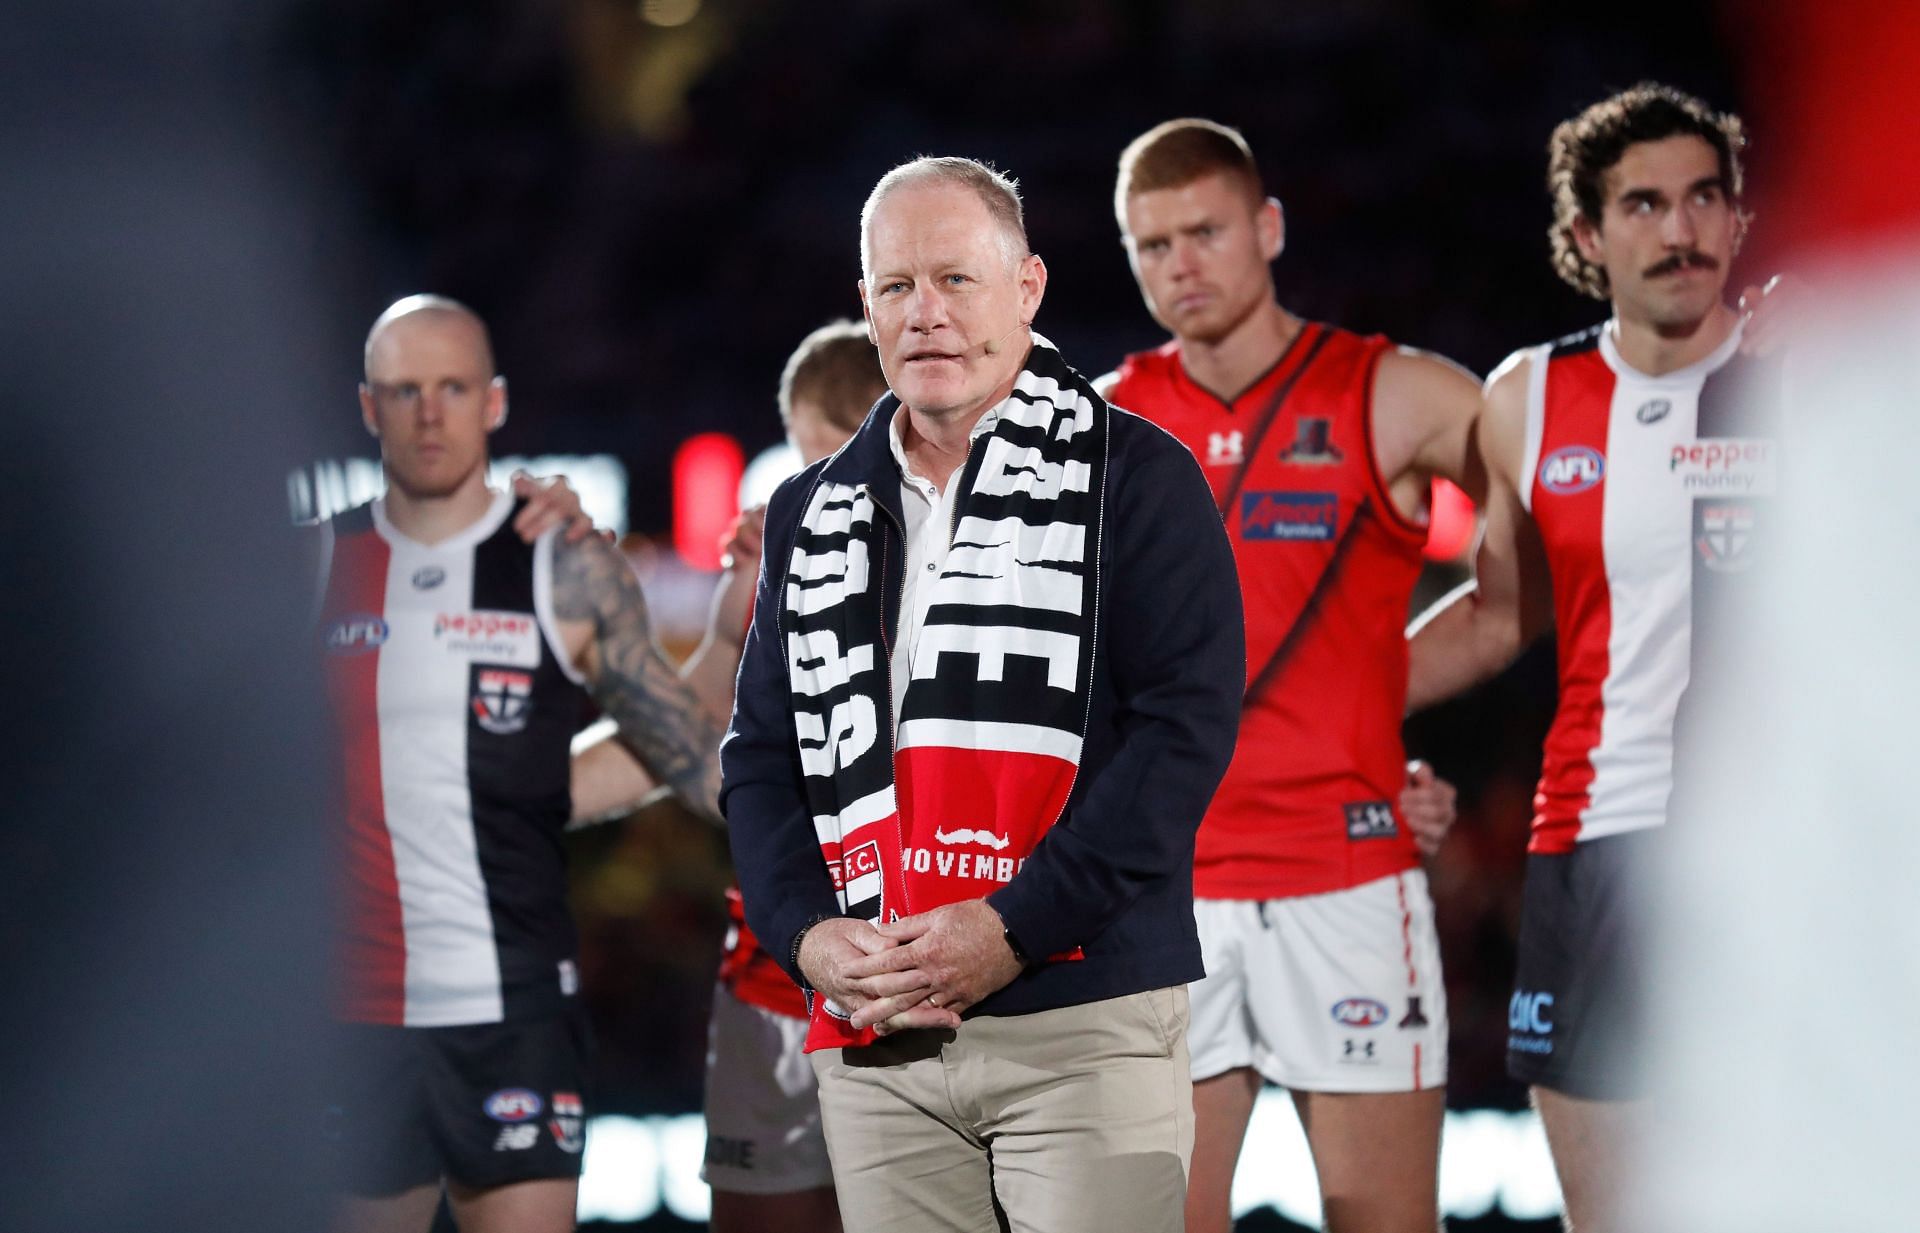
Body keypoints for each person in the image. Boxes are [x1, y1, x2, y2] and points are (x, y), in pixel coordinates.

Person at [719, 156, 1245, 1233]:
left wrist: (1011, 928)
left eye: (957, 280)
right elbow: (762, 760)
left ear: (1029, 287)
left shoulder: (1136, 476)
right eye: (898, 286)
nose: (928, 315)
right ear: (864, 305)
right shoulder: (806, 513)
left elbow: (1181, 737)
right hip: (876, 1033)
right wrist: (810, 940)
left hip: (1081, 1009)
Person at [1404, 83, 1783, 1233]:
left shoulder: (1818, 367)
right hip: (1592, 844)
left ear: (1738, 218)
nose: (1679, 231)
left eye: (1705, 199)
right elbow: (1494, 613)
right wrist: (1294, 708)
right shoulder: (1529, 400)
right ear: (1585, 236)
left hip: (1783, 840)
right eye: (1645, 204)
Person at [1099, 118, 1473, 1233]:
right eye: (1152, 244)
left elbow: (1541, 575)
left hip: (1346, 880)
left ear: (1267, 227)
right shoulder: (1101, 425)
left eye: (1205, 231)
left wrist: (1366, 701)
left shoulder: (1394, 391)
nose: (1182, 265)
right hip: (1169, 893)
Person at [315, 295, 723, 1233]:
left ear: (494, 402)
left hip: (517, 1012)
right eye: (405, 390)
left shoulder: (564, 567)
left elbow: (693, 762)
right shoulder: (313, 567)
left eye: (452, 387)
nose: (430, 413)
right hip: (353, 1016)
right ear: (368, 407)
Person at [569, 320, 885, 1233]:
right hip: (774, 976)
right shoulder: (776, 571)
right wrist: (725, 625)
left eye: (821, 455)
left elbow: (719, 782)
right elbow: (685, 738)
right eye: (796, 457)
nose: (799, 483)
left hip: (926, 978)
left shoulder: (982, 581)